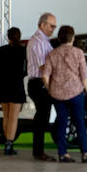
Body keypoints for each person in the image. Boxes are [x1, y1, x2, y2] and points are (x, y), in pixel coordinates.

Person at [43, 25, 87, 163]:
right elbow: (84, 75)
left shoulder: (52, 54)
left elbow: (45, 75)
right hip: (76, 92)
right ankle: (85, 153)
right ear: (73, 37)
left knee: (61, 122)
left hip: (57, 94)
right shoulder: (78, 53)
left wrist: (50, 88)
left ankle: (63, 153)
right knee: (79, 122)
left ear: (59, 38)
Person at [0, 27, 28, 156]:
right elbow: (28, 67)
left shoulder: (1, 50)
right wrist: (21, 74)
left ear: (7, 37)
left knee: (6, 116)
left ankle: (6, 142)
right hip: (17, 85)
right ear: (19, 37)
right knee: (14, 117)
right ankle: (9, 143)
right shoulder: (23, 51)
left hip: (3, 86)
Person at [26, 13, 58, 162]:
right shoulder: (39, 42)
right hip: (39, 82)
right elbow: (43, 66)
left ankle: (39, 150)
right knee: (41, 118)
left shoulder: (44, 41)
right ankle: (38, 151)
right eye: (51, 26)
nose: (53, 29)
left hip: (39, 82)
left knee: (42, 117)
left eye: (55, 27)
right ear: (42, 24)